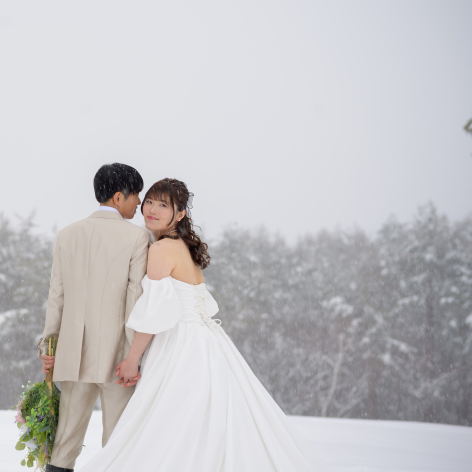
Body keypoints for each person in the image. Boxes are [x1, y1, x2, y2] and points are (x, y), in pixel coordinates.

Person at [79, 178, 333, 472]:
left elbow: (155, 312)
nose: (152, 209)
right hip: (206, 343)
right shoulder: (179, 245)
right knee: (198, 421)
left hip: (181, 345)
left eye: (164, 205)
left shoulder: (162, 250)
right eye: (149, 201)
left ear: (180, 214)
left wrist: (132, 360)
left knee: (171, 422)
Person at [40, 163, 152, 472]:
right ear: (119, 197)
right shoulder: (137, 237)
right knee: (117, 445)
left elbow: (56, 296)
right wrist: (133, 356)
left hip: (72, 354)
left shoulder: (67, 234)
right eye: (136, 196)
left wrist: (49, 347)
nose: (139, 203)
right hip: (117, 357)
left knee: (63, 446)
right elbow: (134, 300)